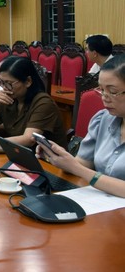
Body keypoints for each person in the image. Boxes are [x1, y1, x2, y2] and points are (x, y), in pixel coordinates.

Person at [38, 55, 125, 197]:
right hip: (100, 204)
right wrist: (60, 158)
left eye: (113, 91)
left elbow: (81, 170)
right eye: (101, 90)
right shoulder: (102, 119)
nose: (104, 97)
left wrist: (78, 169)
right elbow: (82, 164)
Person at [0, 56, 66, 150]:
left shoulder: (43, 103)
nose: (4, 87)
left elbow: (29, 139)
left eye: (9, 83)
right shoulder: (10, 98)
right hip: (19, 154)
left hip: (48, 161)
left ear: (28, 81)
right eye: (2, 82)